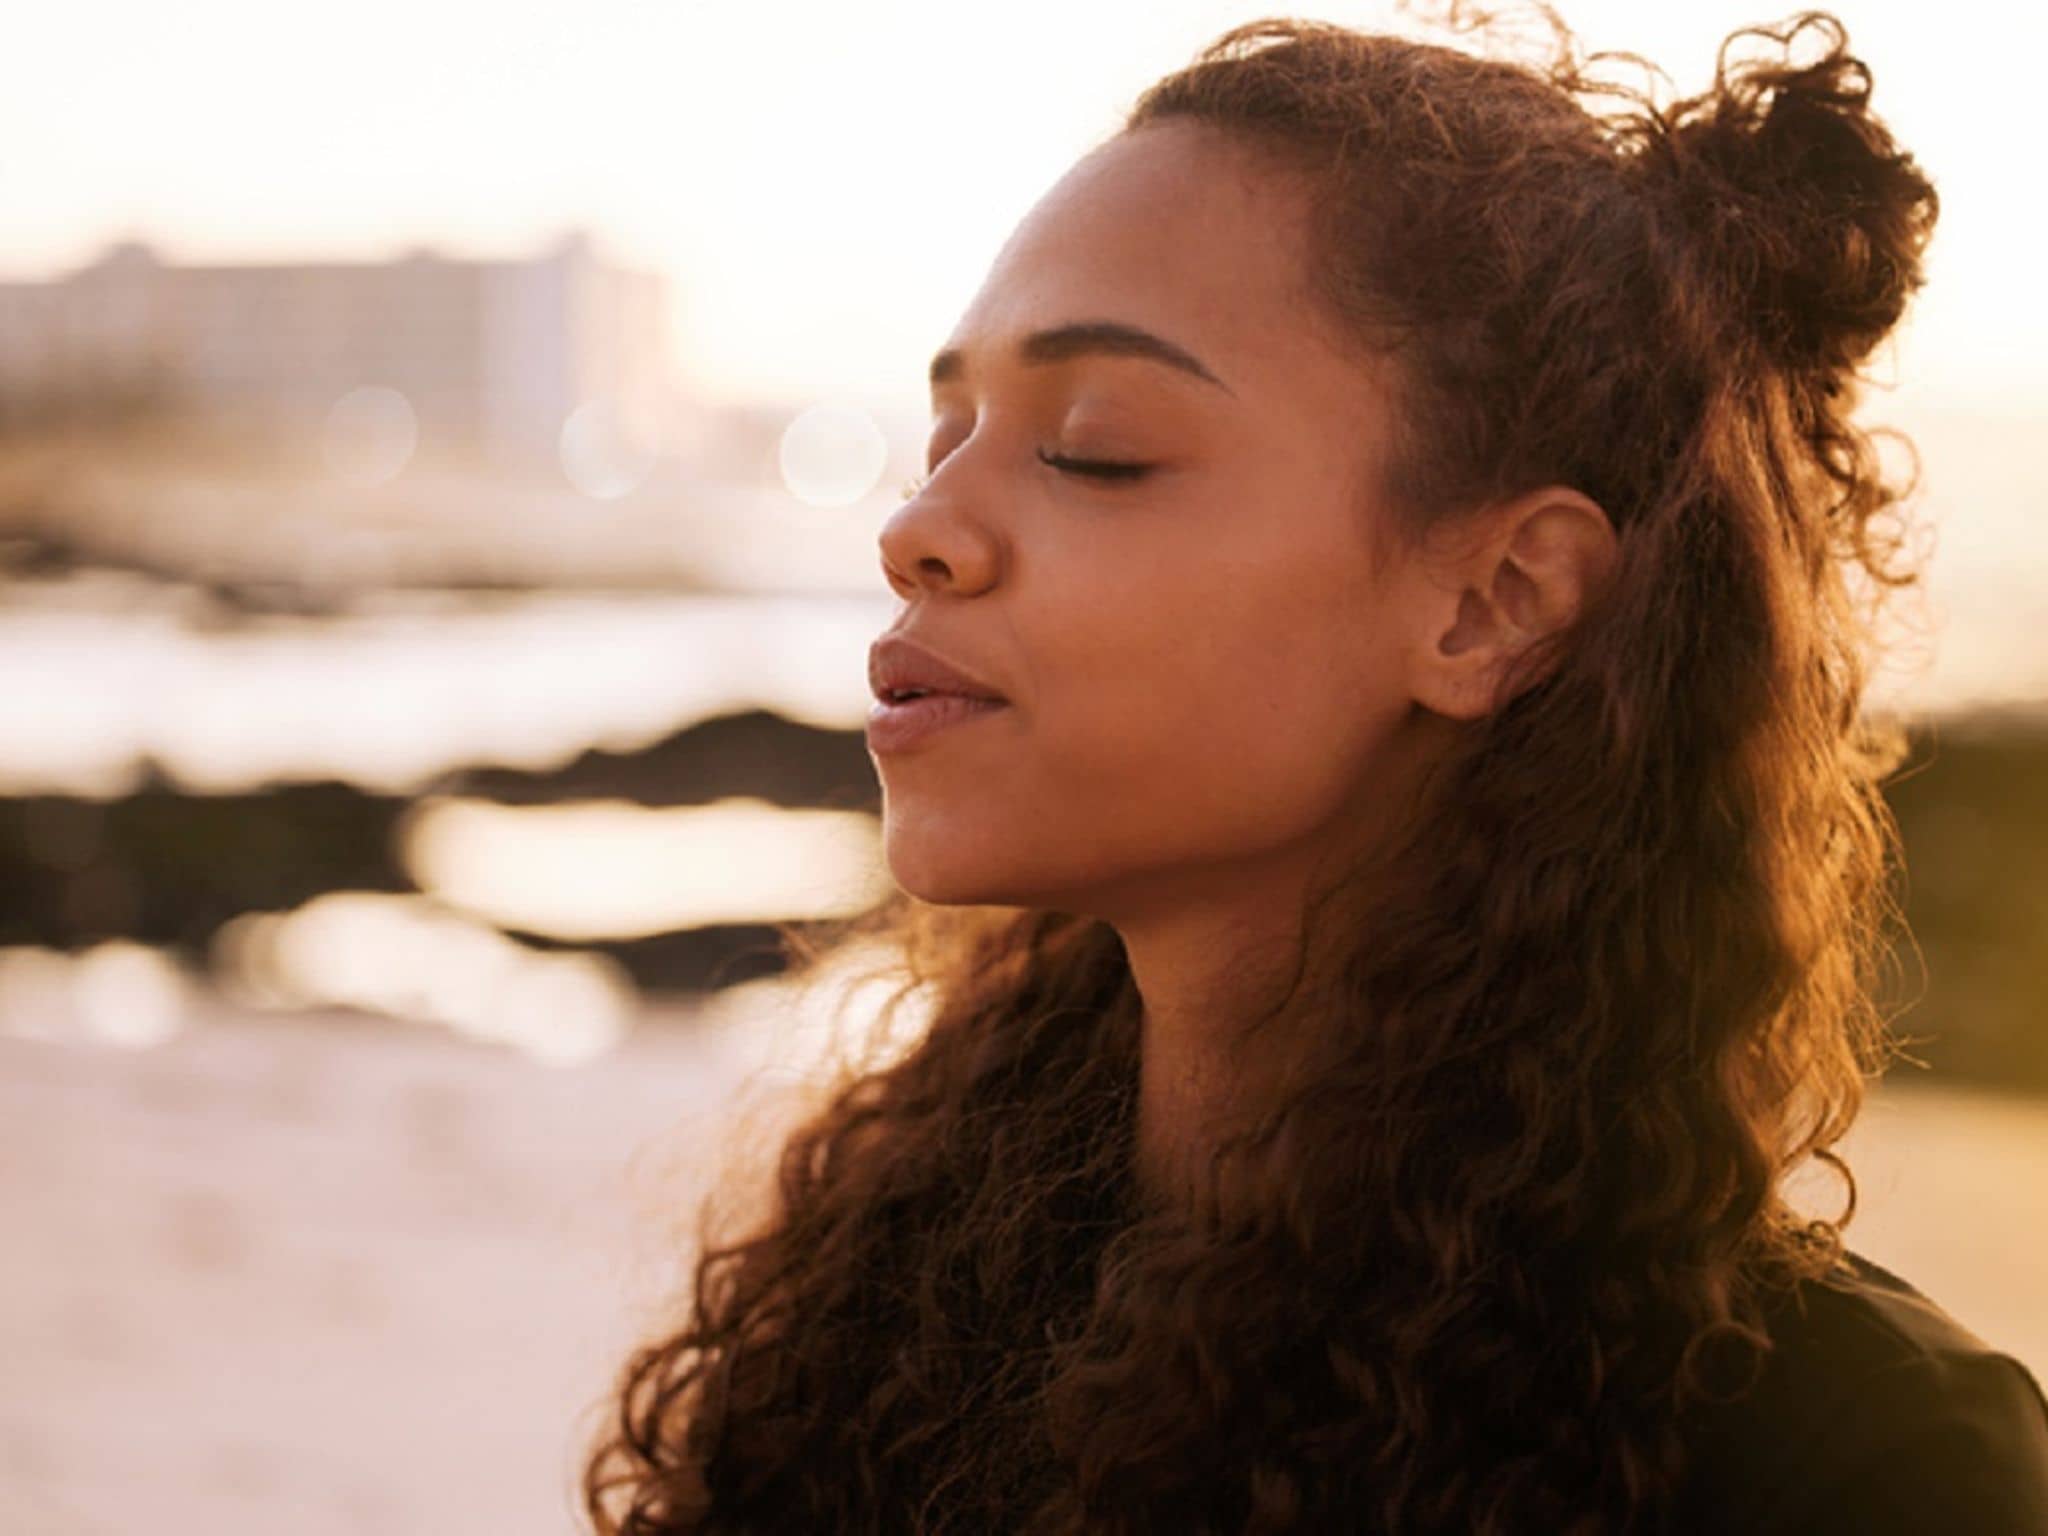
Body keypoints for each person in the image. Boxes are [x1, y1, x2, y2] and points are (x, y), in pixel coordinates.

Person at [581, 9, 2048, 1532]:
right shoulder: (894, 1302)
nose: (916, 530)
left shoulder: (1862, 1469)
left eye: (1094, 446)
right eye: (945, 438)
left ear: (1495, 604)